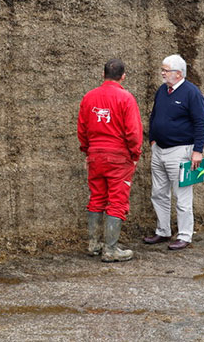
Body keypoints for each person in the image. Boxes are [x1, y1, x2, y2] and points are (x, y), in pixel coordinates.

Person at [77, 59, 143, 262]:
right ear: (123, 76)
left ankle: (94, 244)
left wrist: (88, 150)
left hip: (95, 155)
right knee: (116, 200)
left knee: (97, 197)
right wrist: (135, 154)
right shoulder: (126, 98)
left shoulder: (89, 97)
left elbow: (82, 128)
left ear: (103, 74)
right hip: (118, 157)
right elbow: (133, 132)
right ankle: (111, 249)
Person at [144, 54, 204, 250]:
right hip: (159, 150)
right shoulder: (162, 91)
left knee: (182, 196)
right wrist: (152, 140)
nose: (162, 73)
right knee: (159, 193)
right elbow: (154, 115)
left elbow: (201, 123)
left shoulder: (192, 93)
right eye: (162, 70)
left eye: (166, 70)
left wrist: (197, 151)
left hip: (180, 151)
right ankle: (162, 231)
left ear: (178, 74)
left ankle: (185, 235)